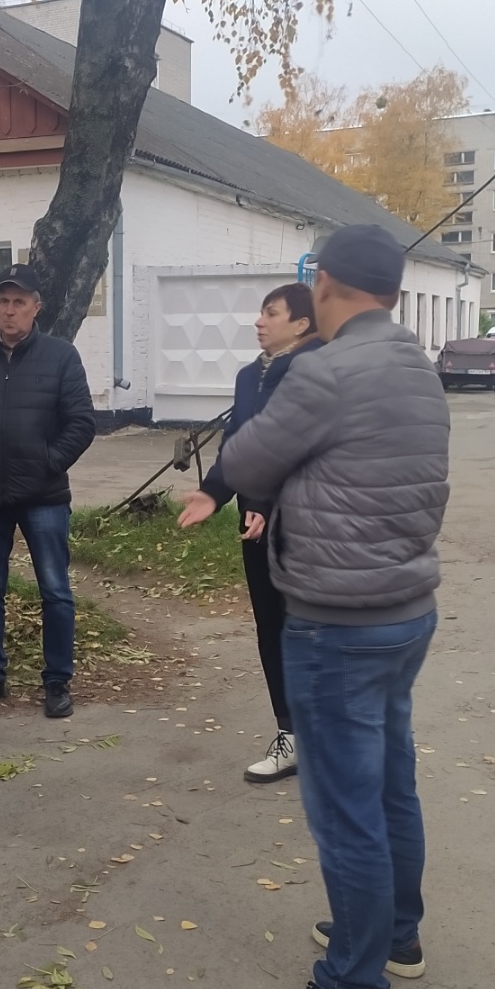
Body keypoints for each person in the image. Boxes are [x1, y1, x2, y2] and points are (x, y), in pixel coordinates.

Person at [220, 225, 449, 989]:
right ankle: (395, 937)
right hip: (403, 612)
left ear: (324, 284)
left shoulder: (322, 372)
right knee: (389, 782)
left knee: (346, 810)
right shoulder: (418, 369)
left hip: (336, 622)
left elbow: (245, 462)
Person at [178, 283, 323, 782]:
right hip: (257, 519)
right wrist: (214, 493)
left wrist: (264, 498)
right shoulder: (248, 376)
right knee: (271, 624)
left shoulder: (320, 370)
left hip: (310, 523)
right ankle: (292, 733)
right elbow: (240, 443)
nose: (259, 321)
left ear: (302, 323)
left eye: (271, 313)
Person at [0, 262, 96, 719]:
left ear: (36, 307)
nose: (10, 311)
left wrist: (48, 464)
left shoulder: (61, 357)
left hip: (45, 498)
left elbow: (82, 423)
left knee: (55, 590)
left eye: (19, 303)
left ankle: (57, 682)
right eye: (4, 302)